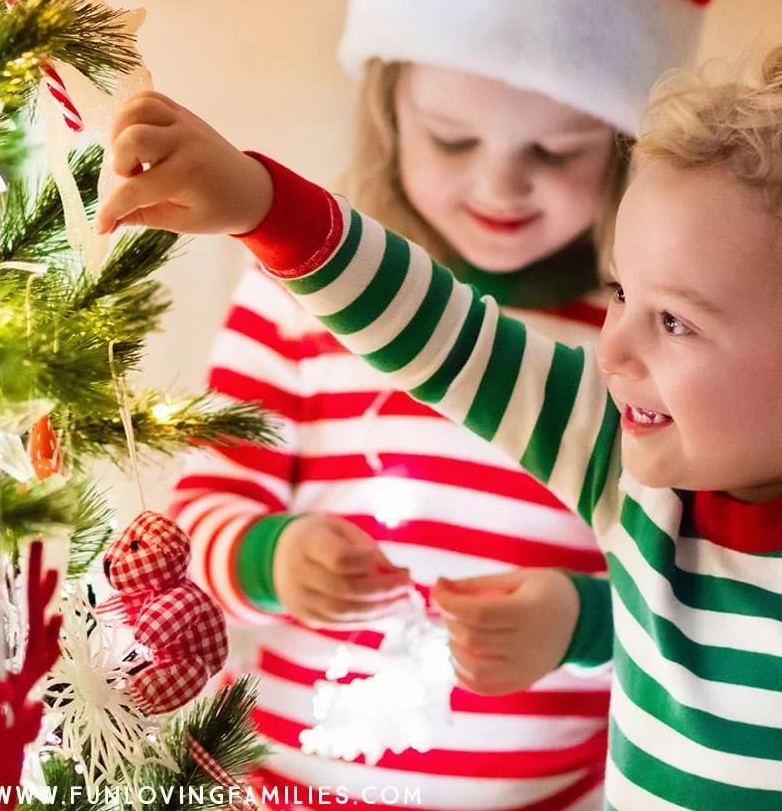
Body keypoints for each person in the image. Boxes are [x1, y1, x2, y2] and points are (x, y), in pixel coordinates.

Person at [168, 0, 709, 811]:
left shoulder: (637, 336)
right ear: (390, 111)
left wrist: (573, 620)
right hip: (290, 788)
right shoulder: (295, 296)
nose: (497, 186)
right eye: (452, 137)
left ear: (629, 149)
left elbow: (696, 583)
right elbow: (205, 505)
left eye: (557, 152)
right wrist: (274, 556)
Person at [99, 41, 782, 811]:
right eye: (621, 293)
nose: (613, 350)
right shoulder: (617, 457)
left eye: (677, 323)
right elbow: (445, 334)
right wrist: (265, 206)